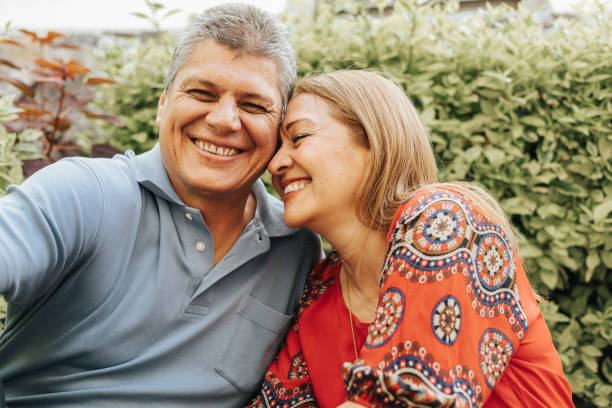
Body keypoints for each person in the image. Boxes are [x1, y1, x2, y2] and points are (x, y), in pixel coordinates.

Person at [0, 4, 320, 406]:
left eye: (253, 105)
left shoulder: (297, 247)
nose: (224, 120)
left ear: (279, 130)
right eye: (202, 93)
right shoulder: (83, 194)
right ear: (162, 104)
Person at [248, 70, 574, 408]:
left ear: (374, 141)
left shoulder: (445, 221)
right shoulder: (318, 298)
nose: (275, 163)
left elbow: (404, 399)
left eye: (299, 137)